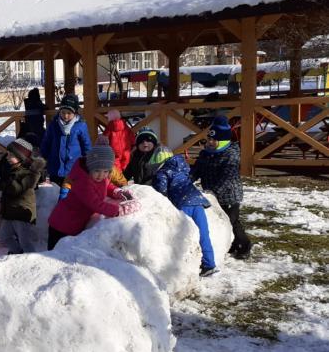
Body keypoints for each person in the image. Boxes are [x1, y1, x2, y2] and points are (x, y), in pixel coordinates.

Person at [47, 143, 142, 250]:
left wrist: (117, 191)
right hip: (62, 224)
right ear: (90, 167)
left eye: (105, 171)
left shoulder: (98, 178)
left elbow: (106, 185)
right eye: (97, 170)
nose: (101, 175)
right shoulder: (83, 183)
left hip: (74, 223)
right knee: (56, 254)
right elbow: (97, 205)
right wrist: (120, 210)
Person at [191, 116, 251, 260]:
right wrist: (186, 180)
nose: (210, 142)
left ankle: (244, 245)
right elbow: (196, 170)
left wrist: (212, 193)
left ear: (223, 141)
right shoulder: (206, 154)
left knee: (231, 221)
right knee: (220, 221)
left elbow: (226, 178)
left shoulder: (230, 155)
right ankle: (229, 243)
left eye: (214, 140)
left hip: (229, 195)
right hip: (212, 194)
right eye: (209, 139)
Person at [151, 147, 218, 276]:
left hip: (182, 204)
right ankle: (209, 264)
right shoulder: (182, 168)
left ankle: (182, 265)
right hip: (197, 202)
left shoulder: (163, 172)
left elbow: (161, 191)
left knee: (182, 235)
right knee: (203, 234)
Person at [0, 138, 45, 255]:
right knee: (4, 237)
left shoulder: (30, 174)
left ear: (21, 157)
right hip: (9, 212)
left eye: (11, 154)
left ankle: (31, 260)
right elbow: (2, 185)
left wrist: (6, 176)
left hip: (21, 213)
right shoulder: (13, 170)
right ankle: (17, 254)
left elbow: (14, 189)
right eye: (7, 154)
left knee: (25, 242)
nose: (7, 157)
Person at [40, 94, 92, 186]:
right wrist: (43, 157)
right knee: (55, 191)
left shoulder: (80, 126)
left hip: (73, 167)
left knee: (71, 191)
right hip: (55, 167)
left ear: (75, 113)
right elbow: (46, 142)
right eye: (63, 112)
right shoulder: (53, 125)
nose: (66, 116)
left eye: (69, 113)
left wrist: (88, 160)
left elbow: (86, 144)